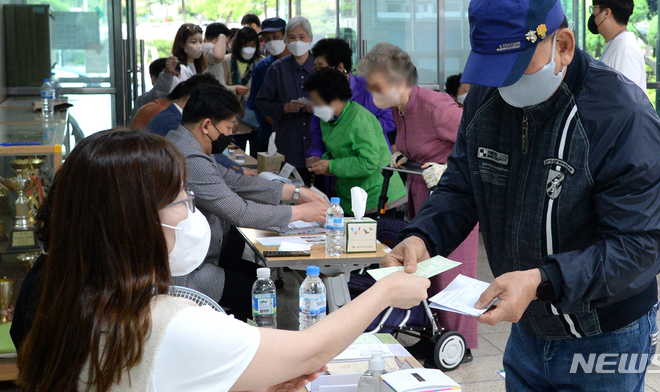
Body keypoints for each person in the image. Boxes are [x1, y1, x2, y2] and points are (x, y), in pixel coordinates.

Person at [383, 0, 660, 391]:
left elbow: (637, 249)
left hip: (604, 333)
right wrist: (421, 236)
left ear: (564, 45)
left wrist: (542, 279)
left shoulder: (620, 118)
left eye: (517, 69)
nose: (505, 85)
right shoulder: (488, 98)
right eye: (495, 71)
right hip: (529, 329)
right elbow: (463, 185)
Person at [15, 128, 431, 392]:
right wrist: (387, 290)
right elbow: (310, 351)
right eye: (181, 201)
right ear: (134, 223)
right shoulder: (167, 322)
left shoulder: (63, 293)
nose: (193, 213)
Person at [357, 43, 479, 354]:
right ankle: (434, 334)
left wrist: (448, 168)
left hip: (453, 201)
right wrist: (401, 154)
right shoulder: (399, 108)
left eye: (376, 86)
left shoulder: (436, 107)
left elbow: (478, 143)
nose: (371, 93)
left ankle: (459, 343)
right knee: (425, 269)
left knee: (453, 272)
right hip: (420, 194)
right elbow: (412, 144)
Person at [166, 84, 328, 319]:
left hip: (195, 256)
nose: (232, 134)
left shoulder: (187, 144)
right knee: (254, 290)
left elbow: (235, 182)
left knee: (255, 274)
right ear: (206, 125)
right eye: (229, 128)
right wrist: (301, 213)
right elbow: (240, 212)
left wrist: (295, 192)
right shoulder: (189, 157)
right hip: (186, 273)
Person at [304, 68, 406, 215]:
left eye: (316, 101)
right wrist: (321, 161)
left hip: (375, 196)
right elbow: (339, 152)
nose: (313, 106)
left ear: (333, 98)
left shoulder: (359, 119)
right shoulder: (327, 120)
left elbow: (368, 162)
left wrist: (331, 166)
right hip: (350, 195)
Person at [306, 38, 395, 169]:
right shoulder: (321, 92)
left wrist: (352, 131)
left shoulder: (369, 88)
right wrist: (316, 155)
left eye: (321, 68)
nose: (317, 73)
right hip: (336, 165)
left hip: (372, 163)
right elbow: (317, 131)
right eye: (315, 69)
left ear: (340, 67)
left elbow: (389, 122)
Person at [146, 75, 251, 176]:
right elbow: (204, 156)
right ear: (196, 99)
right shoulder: (177, 124)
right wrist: (237, 170)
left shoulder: (169, 116)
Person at [255, 16, 315, 183]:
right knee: (291, 192)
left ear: (310, 38)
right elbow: (262, 102)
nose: (297, 42)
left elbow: (336, 104)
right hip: (288, 142)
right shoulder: (277, 69)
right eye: (292, 37)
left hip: (317, 143)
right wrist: (284, 108)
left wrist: (317, 108)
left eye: (302, 37)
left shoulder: (319, 67)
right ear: (286, 40)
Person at [589, 0, 647, 93]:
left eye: (594, 9)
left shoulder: (625, 50)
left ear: (606, 13)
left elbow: (625, 99)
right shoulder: (615, 43)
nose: (593, 14)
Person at [248, 17, 290, 154]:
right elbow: (254, 100)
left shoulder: (297, 64)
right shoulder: (262, 67)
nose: (271, 41)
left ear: (285, 36)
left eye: (275, 37)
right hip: (268, 134)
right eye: (267, 38)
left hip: (294, 134)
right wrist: (264, 115)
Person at [230, 27, 264, 157]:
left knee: (258, 157)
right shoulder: (227, 61)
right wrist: (234, 89)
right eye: (245, 44)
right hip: (235, 119)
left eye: (252, 45)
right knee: (236, 157)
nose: (248, 48)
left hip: (256, 119)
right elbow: (219, 86)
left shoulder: (261, 61)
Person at [130, 58, 174, 129]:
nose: (173, 79)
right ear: (154, 79)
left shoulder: (182, 101)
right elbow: (160, 91)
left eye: (176, 75)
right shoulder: (146, 99)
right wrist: (167, 75)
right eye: (170, 75)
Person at [203, 22, 245, 96]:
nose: (227, 47)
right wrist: (222, 37)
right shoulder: (208, 47)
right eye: (226, 42)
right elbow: (218, 56)